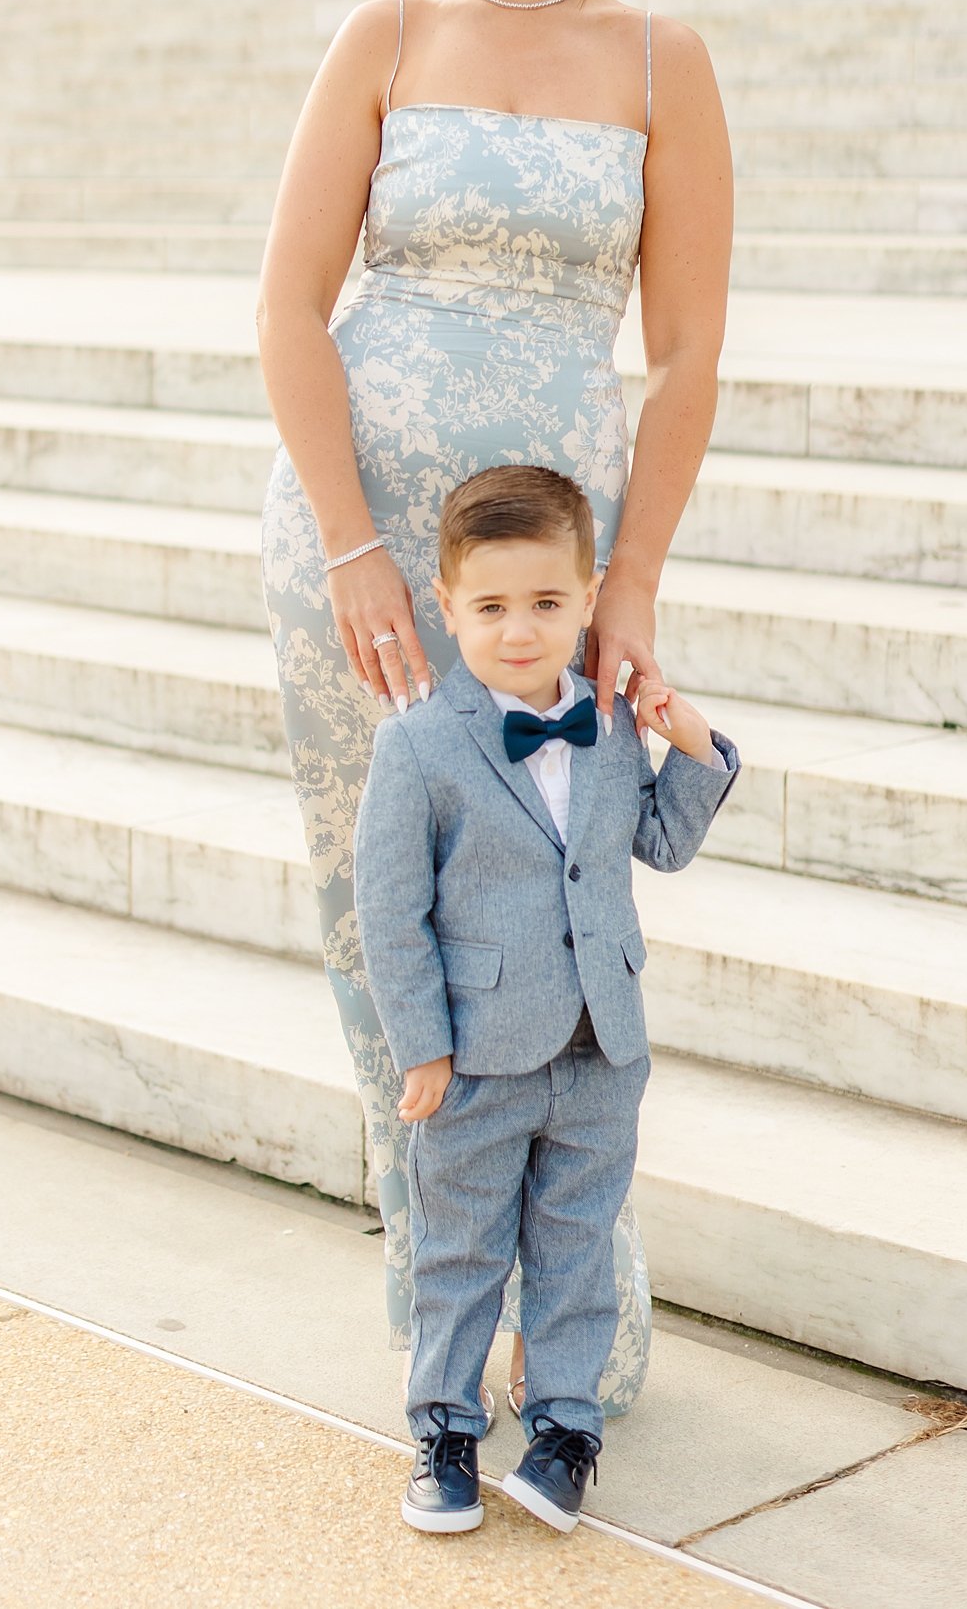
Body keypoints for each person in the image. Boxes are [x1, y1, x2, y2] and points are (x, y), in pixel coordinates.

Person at [256, 0, 735, 1418]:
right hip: (367, 562)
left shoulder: (659, 60)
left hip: (549, 579)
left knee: (551, 918)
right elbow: (291, 309)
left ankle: (574, 1319)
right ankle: (443, 1314)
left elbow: (683, 355)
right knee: (386, 924)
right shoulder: (381, 37)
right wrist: (348, 549)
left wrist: (632, 583)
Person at [353, 464, 739, 1533]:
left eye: (545, 604)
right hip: (477, 1054)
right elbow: (392, 914)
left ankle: (567, 1428)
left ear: (587, 596)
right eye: (490, 608)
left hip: (599, 1049)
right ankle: (444, 1428)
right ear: (447, 608)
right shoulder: (419, 744)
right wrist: (422, 1048)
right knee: (462, 1247)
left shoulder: (613, 727)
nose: (519, 631)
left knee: (577, 1246)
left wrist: (689, 740)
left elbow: (658, 842)